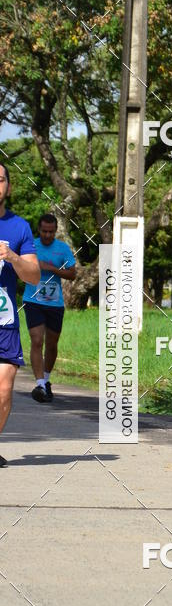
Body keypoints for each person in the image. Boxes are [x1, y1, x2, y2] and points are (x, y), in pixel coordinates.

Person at [0, 163, 41, 465]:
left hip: (4, 321)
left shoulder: (19, 228)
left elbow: (34, 277)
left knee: (3, 388)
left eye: (0, 180)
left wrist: (12, 256)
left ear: (8, 187)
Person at [22, 214, 77, 403]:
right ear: (39, 230)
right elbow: (19, 268)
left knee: (51, 345)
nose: (47, 235)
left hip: (54, 303)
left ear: (55, 231)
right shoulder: (30, 246)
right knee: (37, 341)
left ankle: (46, 380)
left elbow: (72, 274)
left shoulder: (62, 248)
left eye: (51, 232)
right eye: (44, 231)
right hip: (33, 300)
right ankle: (39, 385)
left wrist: (52, 268)